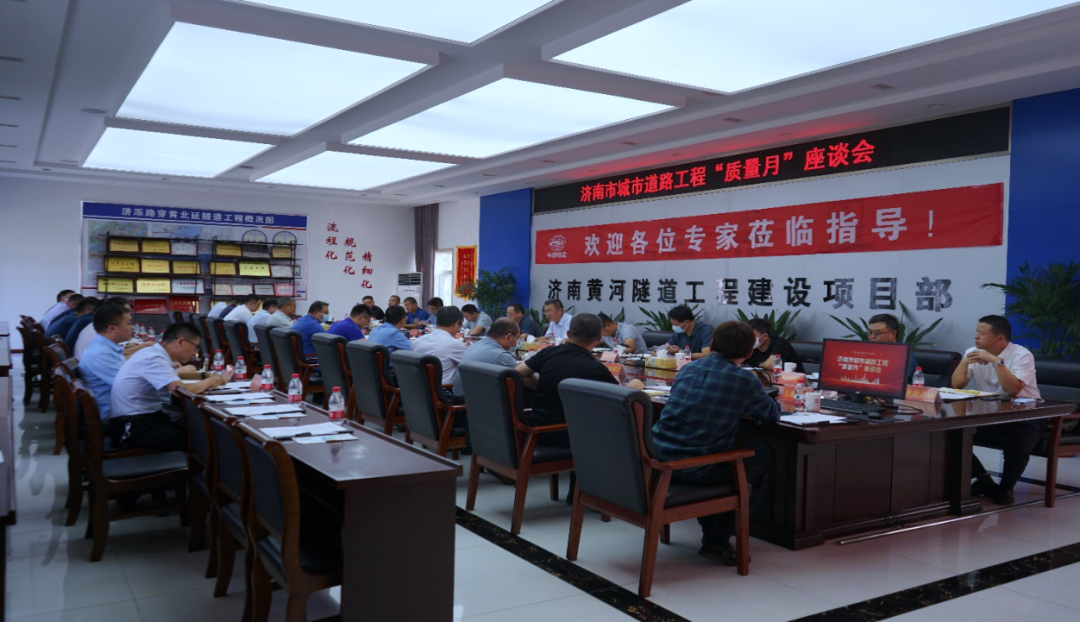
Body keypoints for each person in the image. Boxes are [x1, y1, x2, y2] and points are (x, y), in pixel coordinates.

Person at [650, 321, 780, 565]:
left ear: (711, 345)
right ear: (749, 353)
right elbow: (770, 414)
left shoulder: (687, 369)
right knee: (755, 476)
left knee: (715, 462)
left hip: (657, 458)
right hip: (693, 469)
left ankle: (711, 537)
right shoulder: (745, 380)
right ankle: (718, 542)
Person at [952, 315, 1041, 506]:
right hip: (990, 414)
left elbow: (1013, 390)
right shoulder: (973, 352)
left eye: (982, 333)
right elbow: (957, 385)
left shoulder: (1021, 355)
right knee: (952, 436)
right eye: (976, 331)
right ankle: (983, 479)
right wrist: (965, 361)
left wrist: (996, 361)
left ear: (1000, 338)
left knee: (1018, 443)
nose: (976, 336)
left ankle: (1005, 488)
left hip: (1025, 414)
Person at [109, 322, 232, 451]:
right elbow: (181, 391)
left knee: (199, 431)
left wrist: (203, 376)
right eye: (195, 347)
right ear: (180, 341)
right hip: (132, 427)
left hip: (144, 420)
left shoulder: (153, 353)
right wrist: (210, 382)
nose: (194, 353)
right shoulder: (154, 358)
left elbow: (172, 377)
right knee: (204, 441)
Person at [516, 313, 618, 445]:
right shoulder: (595, 368)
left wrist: (546, 386)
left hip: (535, 430)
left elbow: (518, 373)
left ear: (568, 334)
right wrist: (634, 386)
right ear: (599, 337)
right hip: (568, 435)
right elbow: (619, 401)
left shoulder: (548, 353)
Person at [78, 305, 134, 419]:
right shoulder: (101, 354)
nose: (132, 328)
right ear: (112, 328)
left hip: (121, 406)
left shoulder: (104, 347)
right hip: (116, 414)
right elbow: (131, 386)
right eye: (129, 323)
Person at [453, 318, 520, 399]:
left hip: (462, 398)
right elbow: (520, 376)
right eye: (517, 339)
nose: (516, 343)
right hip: (477, 403)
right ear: (508, 337)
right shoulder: (501, 355)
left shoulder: (476, 345)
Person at [413, 306, 467, 386]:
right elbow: (470, 364)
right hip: (444, 389)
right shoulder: (454, 344)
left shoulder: (418, 341)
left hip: (419, 388)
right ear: (456, 324)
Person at [865, 313, 918, 379]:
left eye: (877, 333)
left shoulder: (905, 355)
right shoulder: (865, 353)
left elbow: (900, 382)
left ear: (893, 333)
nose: (872, 337)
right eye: (870, 332)